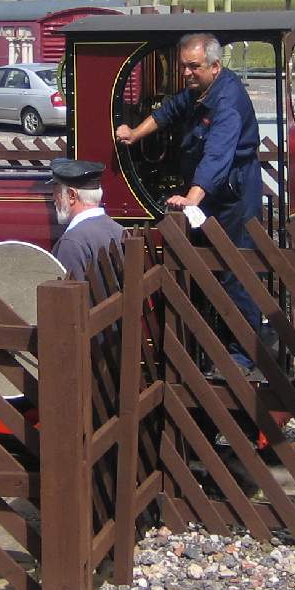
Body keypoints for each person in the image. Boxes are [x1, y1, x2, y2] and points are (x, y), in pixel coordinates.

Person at [114, 32, 263, 371]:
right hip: (214, 192)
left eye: (193, 67)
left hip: (233, 192)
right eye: (183, 67)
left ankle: (244, 355)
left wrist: (191, 198)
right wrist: (136, 134)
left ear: (215, 66)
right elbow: (170, 110)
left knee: (234, 269)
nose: (187, 74)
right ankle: (212, 341)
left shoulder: (228, 102)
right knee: (207, 267)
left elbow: (217, 156)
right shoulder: (200, 91)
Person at [49, 158, 124, 283]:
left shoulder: (72, 242)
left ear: (72, 196)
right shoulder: (118, 229)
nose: (53, 198)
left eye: (56, 191)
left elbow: (66, 298)